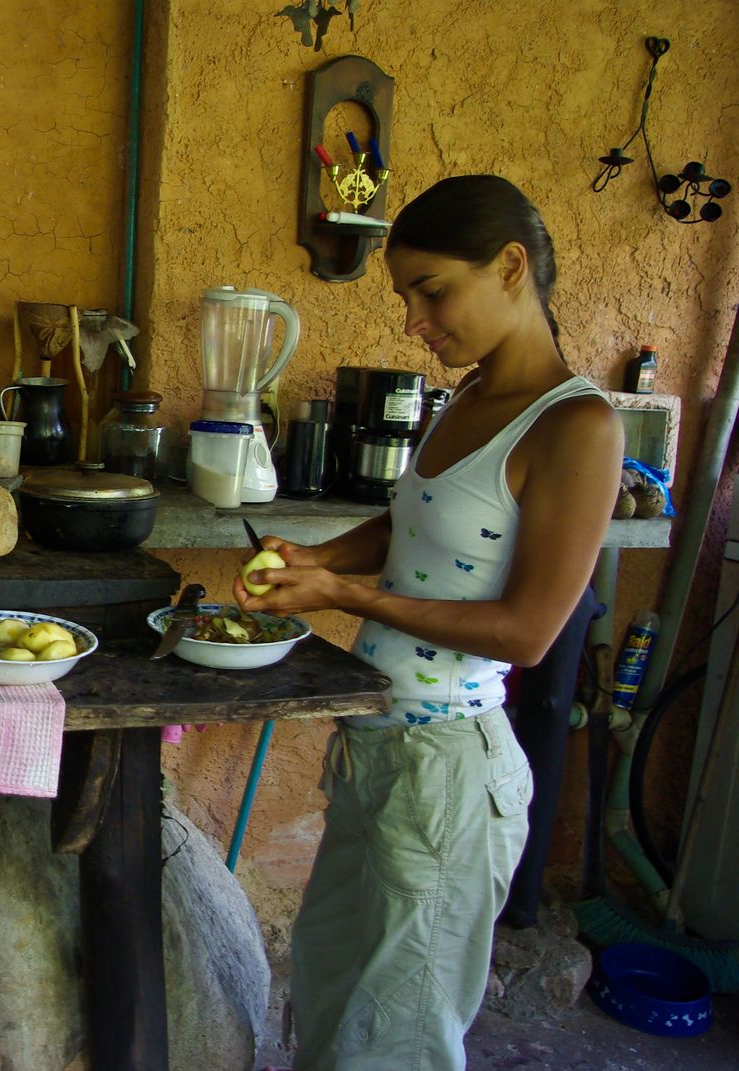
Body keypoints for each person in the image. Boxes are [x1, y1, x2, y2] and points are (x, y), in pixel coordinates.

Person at [235, 175, 623, 1070]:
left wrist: (350, 598)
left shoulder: (578, 427)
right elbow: (410, 529)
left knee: (396, 1039)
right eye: (406, 297)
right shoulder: (466, 397)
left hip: (452, 772)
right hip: (382, 747)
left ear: (512, 267)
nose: (415, 320)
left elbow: (527, 631)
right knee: (333, 999)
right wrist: (321, 560)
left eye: (432, 291)